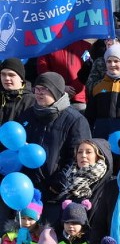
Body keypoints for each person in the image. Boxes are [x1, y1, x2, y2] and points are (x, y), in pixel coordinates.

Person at [17, 72, 92, 225]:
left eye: (44, 89)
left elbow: (79, 156)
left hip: (57, 193)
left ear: (57, 91)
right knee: (28, 241)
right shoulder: (27, 115)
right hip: (27, 189)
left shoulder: (75, 120)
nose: (39, 93)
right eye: (37, 89)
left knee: (49, 240)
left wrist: (60, 181)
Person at [36, 39, 91, 111]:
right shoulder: (48, 47)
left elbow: (89, 69)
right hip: (54, 98)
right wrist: (60, 88)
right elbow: (42, 68)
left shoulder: (86, 46)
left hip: (78, 100)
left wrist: (74, 90)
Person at [0, 57, 35, 124]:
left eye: (11, 75)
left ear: (21, 78)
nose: (6, 78)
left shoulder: (31, 100)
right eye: (3, 74)